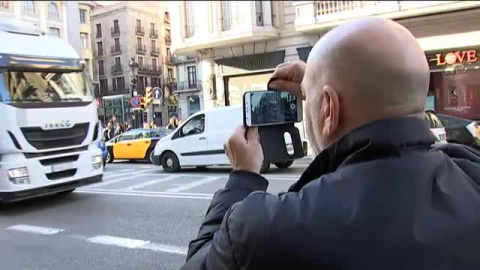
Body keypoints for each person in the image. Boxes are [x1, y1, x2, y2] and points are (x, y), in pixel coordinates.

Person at [181, 17, 480, 269]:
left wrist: (243, 178)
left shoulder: (266, 227)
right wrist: (321, 86)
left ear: (328, 109)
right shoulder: (470, 177)